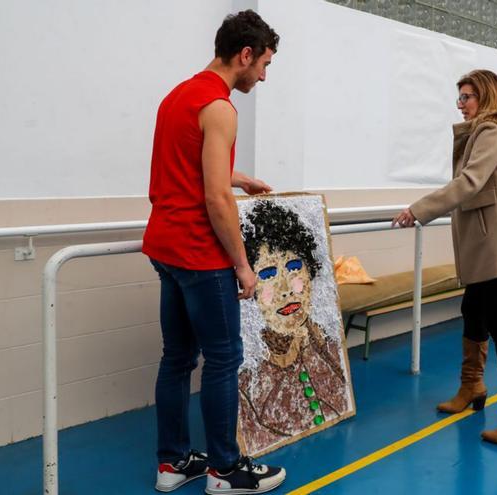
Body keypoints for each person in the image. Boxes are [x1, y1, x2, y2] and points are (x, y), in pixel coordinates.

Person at [142, 10, 286, 494]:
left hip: (164, 247)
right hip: (200, 254)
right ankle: (225, 471)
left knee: (176, 358)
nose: (263, 75)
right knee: (224, 358)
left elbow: (188, 167)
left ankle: (172, 463)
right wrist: (243, 265)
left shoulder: (177, 96)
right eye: (263, 64)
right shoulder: (221, 107)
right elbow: (214, 198)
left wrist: (238, 175)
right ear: (244, 55)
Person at [392, 69, 497, 446]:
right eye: (458, 97)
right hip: (491, 244)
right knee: (473, 310)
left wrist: (419, 209)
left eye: (467, 97)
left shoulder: (491, 133)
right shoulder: (489, 131)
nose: (461, 105)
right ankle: (472, 386)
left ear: (486, 97)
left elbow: (469, 181)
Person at [237, 200, 350, 454]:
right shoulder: (249, 384)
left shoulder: (327, 347)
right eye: (267, 274)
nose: (286, 288)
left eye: (294, 267)